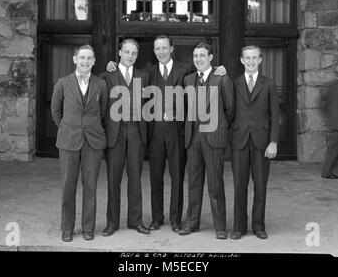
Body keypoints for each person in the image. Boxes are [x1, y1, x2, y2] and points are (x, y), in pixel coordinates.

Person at [106, 36, 227, 233]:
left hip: (178, 132)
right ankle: (156, 218)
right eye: (157, 49)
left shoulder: (186, 70)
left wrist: (221, 69)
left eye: (164, 48)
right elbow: (126, 82)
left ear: (172, 49)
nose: (161, 52)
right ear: (153, 51)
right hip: (154, 132)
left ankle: (176, 219)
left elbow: (205, 74)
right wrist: (111, 65)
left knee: (178, 177)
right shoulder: (147, 73)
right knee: (155, 177)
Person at [50, 45, 108, 242]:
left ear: (94, 61)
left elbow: (103, 111)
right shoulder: (63, 83)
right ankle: (67, 228)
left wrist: (89, 127)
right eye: (82, 58)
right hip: (69, 141)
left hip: (93, 142)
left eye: (89, 58)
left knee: (90, 186)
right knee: (68, 187)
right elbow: (55, 111)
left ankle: (88, 228)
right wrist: (68, 127)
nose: (85, 62)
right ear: (75, 59)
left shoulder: (101, 84)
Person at [178, 42, 234, 239]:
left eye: (202, 55)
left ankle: (220, 226)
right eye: (195, 56)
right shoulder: (188, 80)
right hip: (193, 138)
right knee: (193, 182)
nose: (198, 59)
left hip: (213, 137)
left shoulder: (221, 78)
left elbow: (230, 109)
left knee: (215, 184)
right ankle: (191, 223)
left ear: (211, 57)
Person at [101, 39, 151, 236]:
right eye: (126, 52)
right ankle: (112, 223)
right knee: (113, 179)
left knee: (135, 178)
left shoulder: (144, 76)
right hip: (115, 133)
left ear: (137, 56)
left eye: (134, 53)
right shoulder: (107, 75)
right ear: (120, 52)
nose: (130, 56)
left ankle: (135, 221)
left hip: (136, 133)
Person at [230, 45, 280, 240]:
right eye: (247, 58)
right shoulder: (234, 83)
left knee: (260, 186)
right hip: (239, 141)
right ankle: (238, 227)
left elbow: (275, 115)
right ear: (242, 60)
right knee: (239, 185)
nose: (250, 61)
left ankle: (258, 225)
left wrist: (273, 141)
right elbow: (229, 112)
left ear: (260, 60)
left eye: (254, 58)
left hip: (262, 141)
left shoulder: (269, 84)